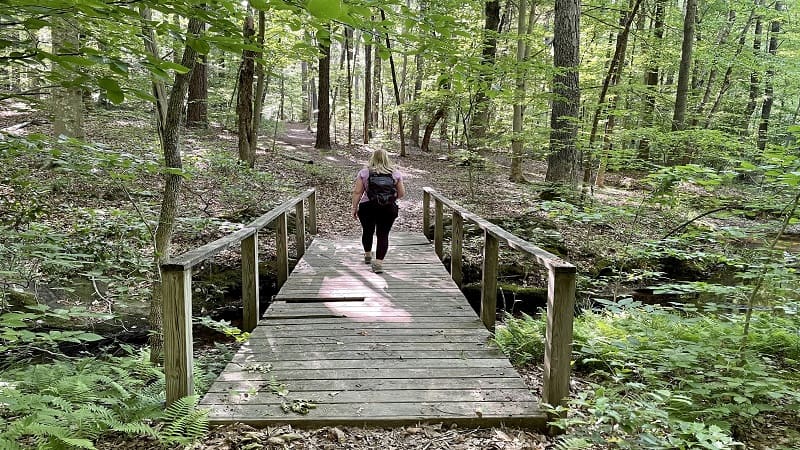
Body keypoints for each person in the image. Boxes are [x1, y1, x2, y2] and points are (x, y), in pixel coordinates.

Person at [351, 149, 406, 273]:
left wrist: (354, 207)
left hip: (367, 207)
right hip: (388, 208)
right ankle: (379, 263)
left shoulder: (364, 173)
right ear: (387, 159)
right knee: (383, 234)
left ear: (373, 158)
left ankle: (368, 255)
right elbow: (401, 193)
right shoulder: (395, 173)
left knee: (367, 231)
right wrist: (388, 199)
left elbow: (357, 192)